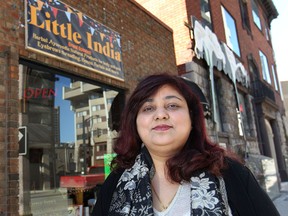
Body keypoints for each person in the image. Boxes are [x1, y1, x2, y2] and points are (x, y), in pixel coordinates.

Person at [92, 73, 280, 216]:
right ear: (136, 124)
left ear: (192, 119)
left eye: (172, 105)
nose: (160, 114)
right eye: (148, 108)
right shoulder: (116, 184)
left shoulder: (232, 175)